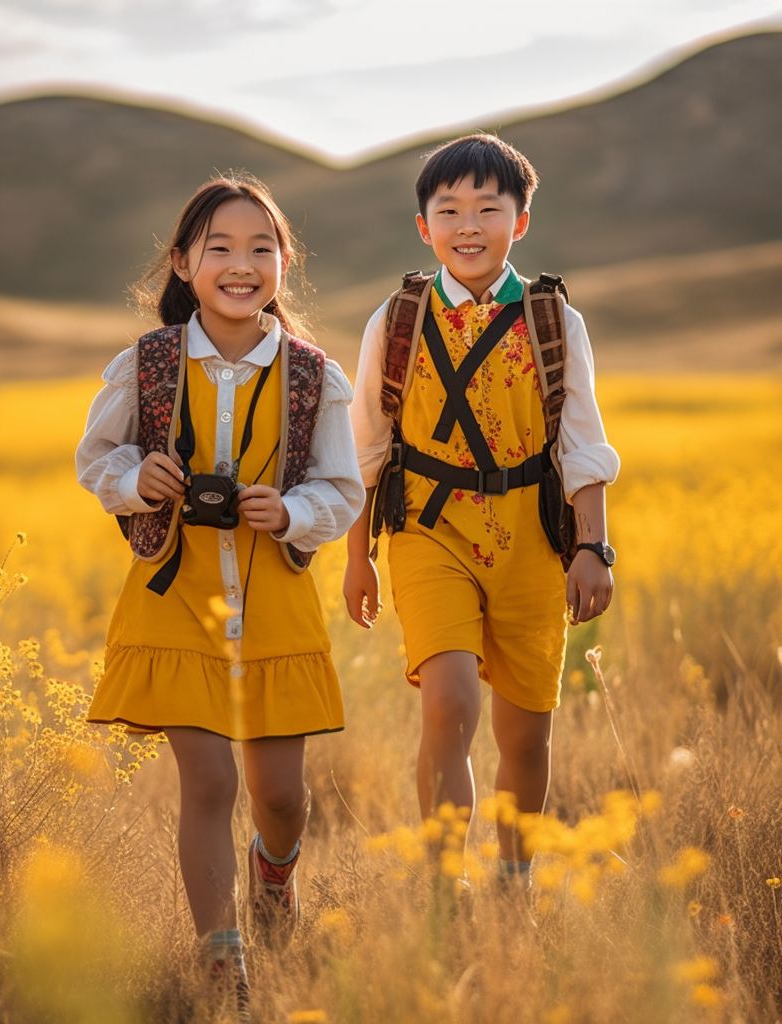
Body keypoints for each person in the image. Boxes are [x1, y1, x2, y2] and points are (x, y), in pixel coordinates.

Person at [76, 174, 363, 1016]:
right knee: (208, 783)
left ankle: (275, 875)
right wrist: (141, 476)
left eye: (262, 249)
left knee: (280, 797)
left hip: (274, 599)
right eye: (221, 249)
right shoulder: (148, 363)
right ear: (183, 263)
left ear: (284, 263)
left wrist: (293, 509)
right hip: (176, 595)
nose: (243, 265)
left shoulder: (315, 376)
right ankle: (222, 961)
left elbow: (341, 488)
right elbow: (97, 461)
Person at [343, 133, 620, 893]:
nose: (469, 225)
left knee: (526, 733)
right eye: (449, 208)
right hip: (429, 530)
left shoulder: (554, 319)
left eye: (488, 208)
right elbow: (368, 446)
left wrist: (594, 547)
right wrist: (356, 555)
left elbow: (583, 443)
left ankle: (513, 877)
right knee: (450, 700)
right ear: (423, 225)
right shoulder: (396, 320)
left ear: (520, 221)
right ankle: (440, 884)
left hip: (532, 538)